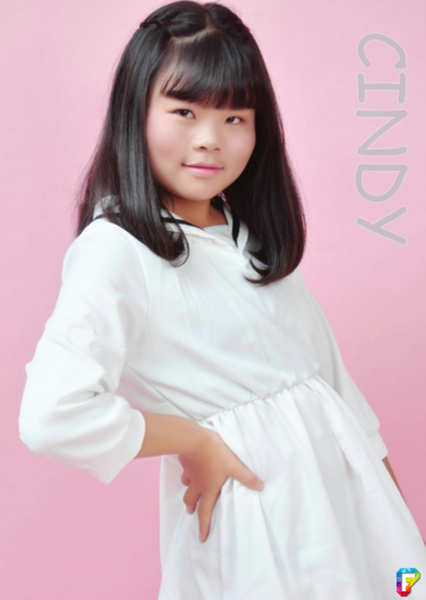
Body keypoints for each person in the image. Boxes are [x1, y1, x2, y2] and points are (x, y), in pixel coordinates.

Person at [18, 1, 426, 598]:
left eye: (235, 117)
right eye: (184, 111)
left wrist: (402, 535)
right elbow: (52, 415)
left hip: (349, 512)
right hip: (259, 528)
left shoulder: (249, 235)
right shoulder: (117, 250)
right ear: (136, 111)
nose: (210, 140)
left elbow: (338, 395)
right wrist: (193, 439)